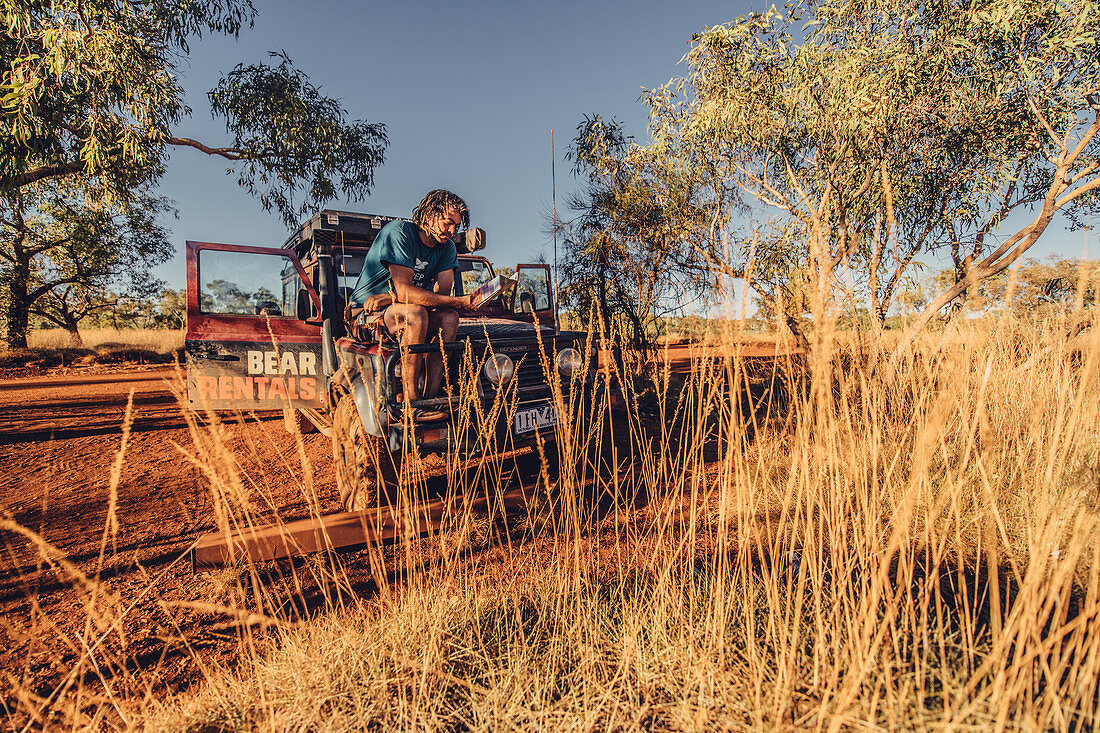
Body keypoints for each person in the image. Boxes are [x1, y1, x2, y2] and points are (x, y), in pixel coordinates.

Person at [349, 190, 475, 422]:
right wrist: (459, 301)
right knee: (416, 313)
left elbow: (441, 296)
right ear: (429, 215)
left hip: (398, 308)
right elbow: (408, 292)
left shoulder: (446, 247)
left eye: (456, 226)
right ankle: (411, 402)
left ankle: (430, 399)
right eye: (448, 223)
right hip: (363, 313)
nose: (452, 231)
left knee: (449, 317)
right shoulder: (399, 233)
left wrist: (392, 297)